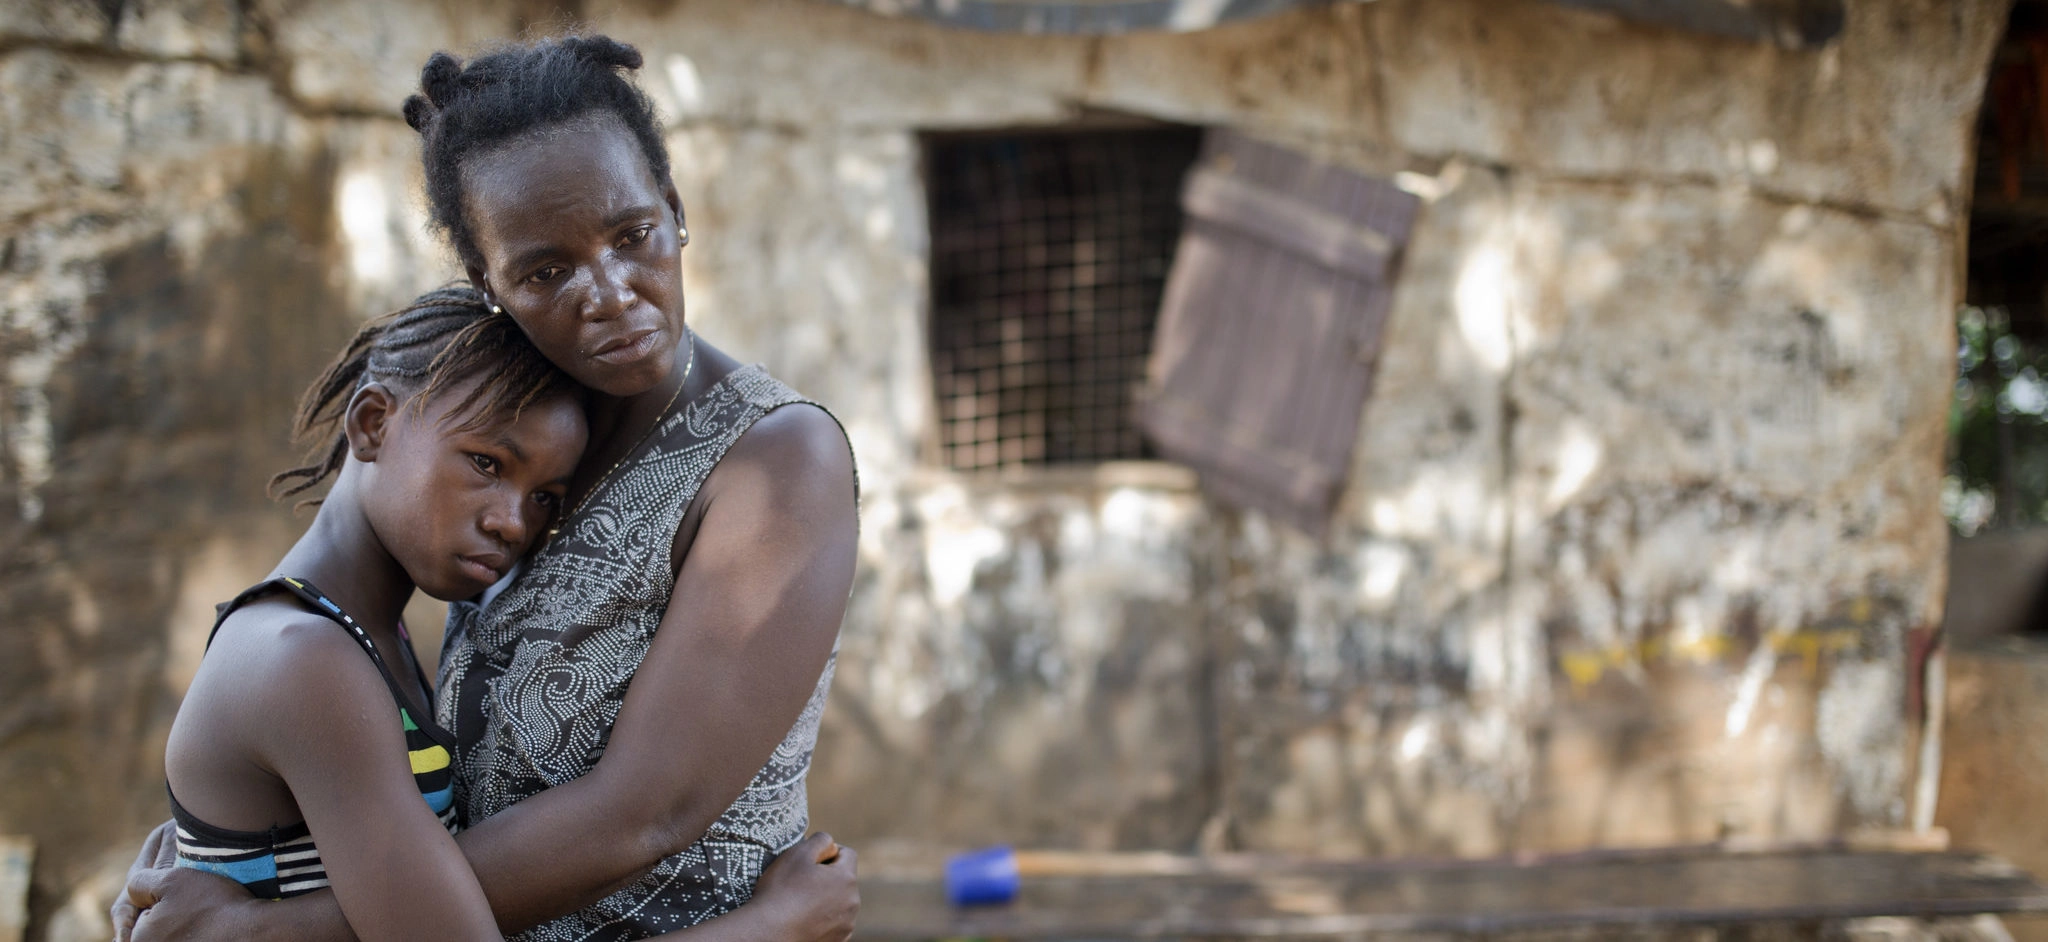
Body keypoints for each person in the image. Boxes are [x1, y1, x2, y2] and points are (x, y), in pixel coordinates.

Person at [115, 33, 862, 942]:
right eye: (546, 271)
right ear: (489, 282)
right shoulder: (532, 446)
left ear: (673, 209)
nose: (609, 292)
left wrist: (255, 934)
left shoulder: (776, 459)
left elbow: (647, 813)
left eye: (633, 235)